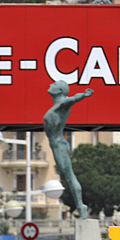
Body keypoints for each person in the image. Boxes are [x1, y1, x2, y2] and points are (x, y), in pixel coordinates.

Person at [43, 81, 94, 220]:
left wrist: (83, 95)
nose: (50, 85)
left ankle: (80, 206)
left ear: (59, 90)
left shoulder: (62, 104)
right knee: (67, 177)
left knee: (69, 177)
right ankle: (80, 205)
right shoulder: (58, 106)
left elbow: (72, 99)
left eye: (53, 84)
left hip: (59, 145)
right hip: (56, 145)